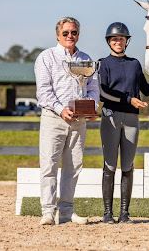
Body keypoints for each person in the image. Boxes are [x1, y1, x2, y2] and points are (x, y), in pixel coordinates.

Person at [98, 22, 149, 223]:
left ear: (126, 41)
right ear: (109, 41)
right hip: (111, 117)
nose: (118, 41)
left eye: (121, 39)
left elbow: (146, 90)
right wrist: (128, 100)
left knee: (128, 166)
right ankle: (107, 213)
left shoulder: (134, 64)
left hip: (132, 120)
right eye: (115, 39)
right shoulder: (103, 63)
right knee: (109, 165)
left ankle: (124, 213)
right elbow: (103, 92)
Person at [34, 17, 100, 225]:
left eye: (74, 33)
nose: (70, 36)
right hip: (54, 118)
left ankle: (66, 211)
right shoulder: (46, 57)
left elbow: (93, 88)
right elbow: (43, 92)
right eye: (66, 33)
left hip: (79, 121)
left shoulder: (86, 58)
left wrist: (92, 107)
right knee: (49, 166)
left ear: (78, 35)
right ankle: (47, 211)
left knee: (73, 167)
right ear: (57, 35)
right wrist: (61, 109)